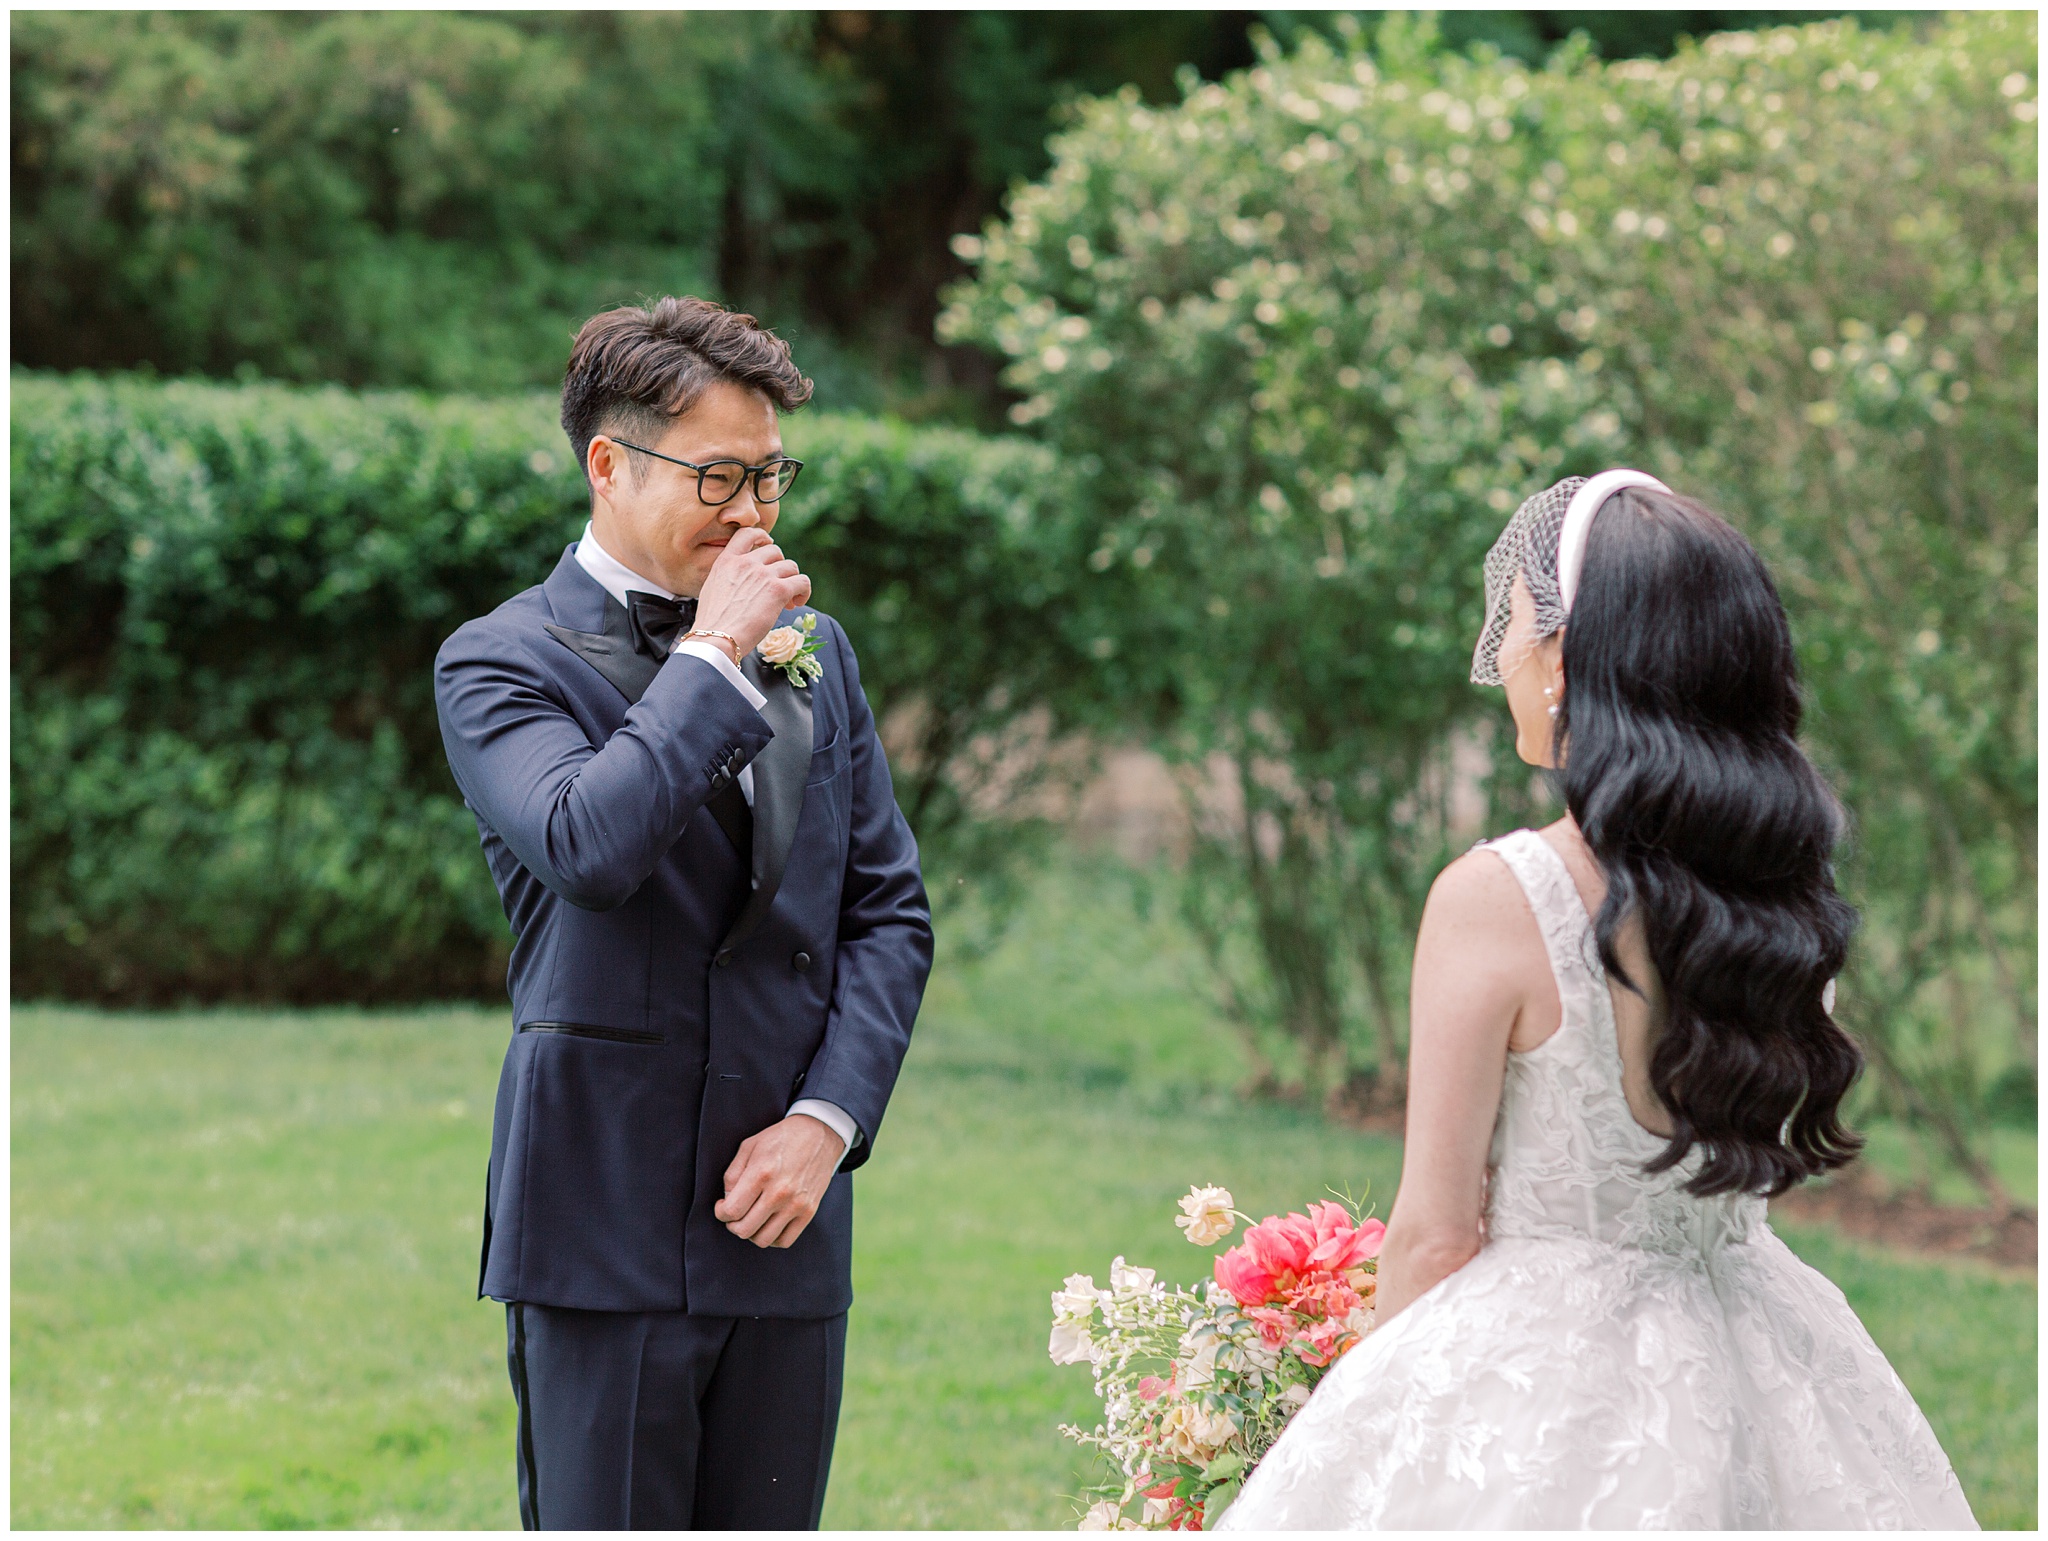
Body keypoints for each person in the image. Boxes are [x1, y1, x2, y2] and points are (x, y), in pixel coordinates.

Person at [1217, 472, 1977, 1529]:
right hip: (1756, 1334)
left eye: (1518, 627)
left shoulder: (1498, 895)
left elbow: (1434, 1231)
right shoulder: (1778, 897)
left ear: (1570, 658)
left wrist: (1363, 1423)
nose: (1504, 662)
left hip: (1538, 1374)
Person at [433, 297, 932, 1530]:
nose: (755, 512)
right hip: (601, 1219)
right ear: (608, 464)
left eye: (770, 475)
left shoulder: (817, 651)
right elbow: (588, 845)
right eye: (718, 476)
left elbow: (887, 911)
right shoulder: (498, 659)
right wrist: (713, 656)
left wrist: (825, 1122)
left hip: (783, 1216)